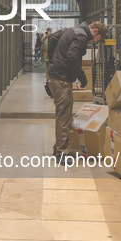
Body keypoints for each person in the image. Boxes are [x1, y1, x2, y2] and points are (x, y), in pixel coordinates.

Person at [48, 21, 106, 163]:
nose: (96, 41)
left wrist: (52, 61)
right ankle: (61, 152)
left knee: (64, 114)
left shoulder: (73, 30)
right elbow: (72, 57)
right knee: (64, 115)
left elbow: (53, 38)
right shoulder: (81, 36)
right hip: (61, 79)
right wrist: (82, 77)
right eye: (98, 39)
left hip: (56, 76)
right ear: (95, 31)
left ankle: (59, 147)